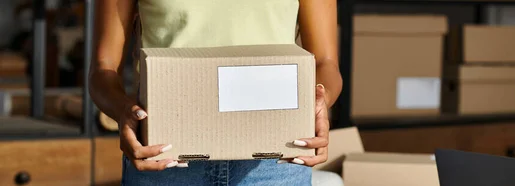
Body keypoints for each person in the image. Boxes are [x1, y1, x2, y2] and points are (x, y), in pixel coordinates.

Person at [90, 0, 341, 185]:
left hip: (273, 164)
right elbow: (103, 68)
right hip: (165, 162)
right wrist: (123, 111)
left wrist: (320, 100)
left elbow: (326, 64)